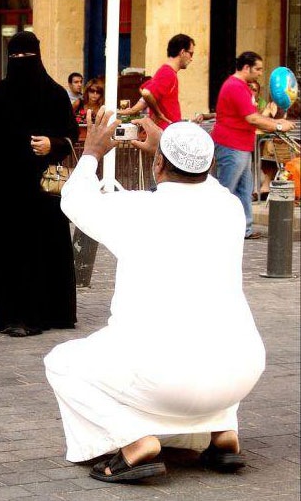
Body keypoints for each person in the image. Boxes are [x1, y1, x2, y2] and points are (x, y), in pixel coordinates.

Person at [46, 108, 266, 483]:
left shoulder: (137, 209)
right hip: (241, 373)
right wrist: (168, 149)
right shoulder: (228, 208)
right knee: (213, 343)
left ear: (160, 163)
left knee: (62, 362)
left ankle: (134, 443)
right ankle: (222, 432)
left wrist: (92, 153)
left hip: (165, 376)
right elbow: (200, 178)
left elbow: (74, 200)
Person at [0, 30, 78, 337]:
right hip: (4, 192)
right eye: (15, 57)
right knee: (8, 253)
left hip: (41, 191)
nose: (21, 63)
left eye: (26, 57)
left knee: (41, 250)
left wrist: (52, 143)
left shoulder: (55, 94)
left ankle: (44, 313)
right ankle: (11, 315)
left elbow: (70, 135)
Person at [211, 51, 295, 239]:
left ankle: (245, 228)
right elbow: (252, 118)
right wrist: (279, 125)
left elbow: (253, 117)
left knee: (244, 189)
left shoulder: (241, 87)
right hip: (231, 145)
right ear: (246, 67)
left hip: (240, 145)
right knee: (227, 189)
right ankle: (217, 228)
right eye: (257, 69)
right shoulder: (235, 86)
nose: (260, 73)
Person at [118, 33, 195, 129]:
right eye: (191, 53)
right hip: (165, 131)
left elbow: (144, 90)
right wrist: (158, 113)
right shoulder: (167, 73)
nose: (191, 58)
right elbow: (146, 93)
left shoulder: (165, 71)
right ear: (182, 52)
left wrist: (132, 110)